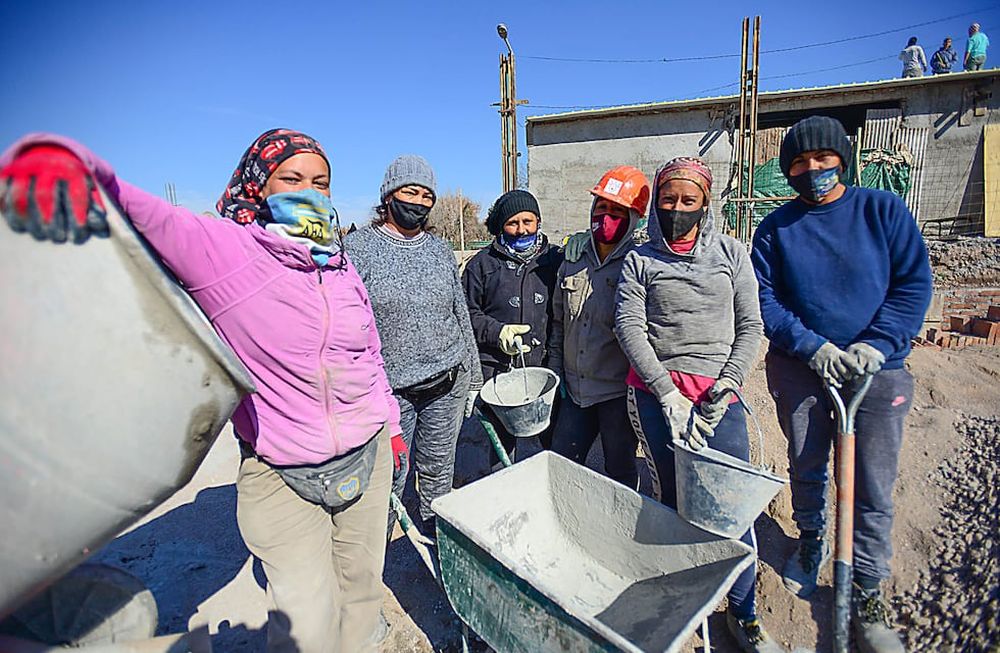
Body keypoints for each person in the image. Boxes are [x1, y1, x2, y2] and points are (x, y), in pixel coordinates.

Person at [0, 129, 404, 653]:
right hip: (284, 474)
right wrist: (58, 160)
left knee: (362, 588)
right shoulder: (224, 250)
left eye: (321, 182)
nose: (311, 191)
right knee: (307, 624)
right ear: (260, 186)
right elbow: (131, 205)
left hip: (366, 457)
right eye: (293, 178)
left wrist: (392, 428)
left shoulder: (340, 267)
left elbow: (368, 357)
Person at [751, 116, 932, 653]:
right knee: (807, 464)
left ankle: (867, 589)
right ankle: (811, 541)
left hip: (878, 371)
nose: (812, 170)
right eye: (799, 164)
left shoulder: (882, 211)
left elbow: (912, 284)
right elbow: (767, 300)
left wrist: (877, 344)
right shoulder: (777, 227)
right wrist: (814, 347)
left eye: (822, 159)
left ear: (843, 159)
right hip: (802, 368)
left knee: (872, 486)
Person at [614, 158, 781, 653]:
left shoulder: (732, 254)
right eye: (668, 201)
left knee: (732, 508)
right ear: (656, 205)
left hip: (718, 402)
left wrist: (726, 386)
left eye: (689, 202)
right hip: (657, 398)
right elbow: (630, 328)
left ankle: (743, 612)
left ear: (706, 204)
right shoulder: (640, 260)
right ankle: (679, 604)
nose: (678, 210)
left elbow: (751, 327)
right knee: (671, 501)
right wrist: (666, 394)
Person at [344, 156, 482, 536]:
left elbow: (459, 312)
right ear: (388, 195)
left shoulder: (439, 249)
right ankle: (377, 551)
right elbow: (345, 322)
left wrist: (473, 377)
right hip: (390, 393)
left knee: (438, 471)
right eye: (410, 192)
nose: (418, 202)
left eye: (426, 195)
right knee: (388, 478)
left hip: (446, 384)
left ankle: (441, 540)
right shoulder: (359, 248)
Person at [547, 166, 649, 488]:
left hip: (616, 392)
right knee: (561, 464)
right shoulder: (573, 258)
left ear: (633, 218)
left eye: (617, 211)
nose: (606, 217)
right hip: (575, 391)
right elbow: (559, 322)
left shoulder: (640, 263)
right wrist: (554, 374)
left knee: (619, 470)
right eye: (601, 208)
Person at [462, 189, 563, 465]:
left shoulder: (555, 260)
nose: (521, 230)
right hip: (498, 372)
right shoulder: (481, 266)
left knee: (553, 449)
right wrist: (497, 332)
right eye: (513, 223)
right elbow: (466, 314)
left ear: (538, 222)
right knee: (502, 454)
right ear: (501, 226)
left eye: (528, 221)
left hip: (545, 370)